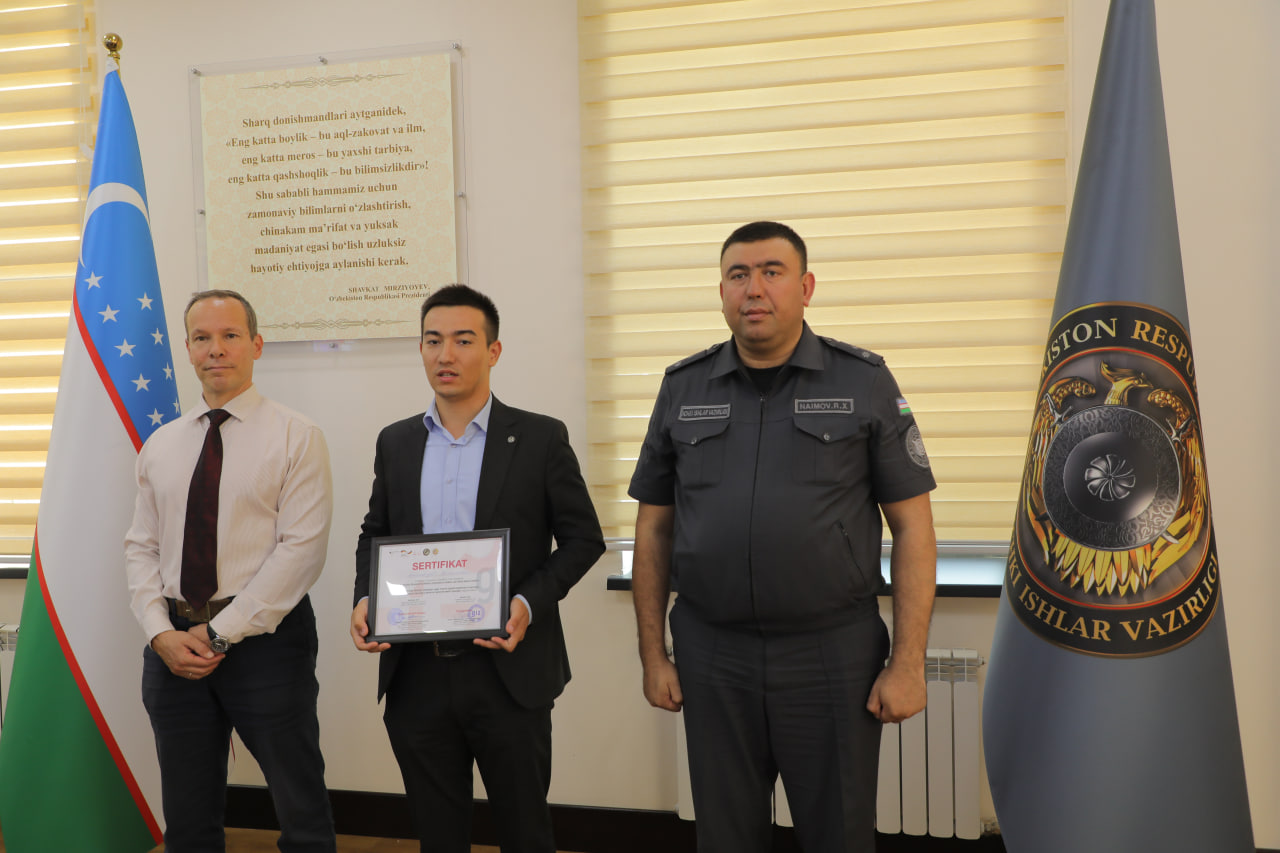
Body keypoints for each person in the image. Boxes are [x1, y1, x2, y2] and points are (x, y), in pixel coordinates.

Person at [629, 222, 938, 852]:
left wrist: (907, 664)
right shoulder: (683, 387)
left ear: (806, 287)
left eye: (772, 272)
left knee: (838, 834)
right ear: (721, 291)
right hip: (713, 653)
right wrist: (653, 656)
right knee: (725, 836)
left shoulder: (863, 381)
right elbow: (654, 528)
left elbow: (913, 527)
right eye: (738, 275)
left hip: (831, 653)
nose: (754, 289)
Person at [350, 284, 605, 853]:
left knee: (524, 830)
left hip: (507, 670)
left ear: (493, 351)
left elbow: (583, 540)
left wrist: (527, 603)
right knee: (437, 833)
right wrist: (366, 599)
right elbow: (374, 533)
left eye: (463, 341)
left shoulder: (539, 437)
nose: (446, 355)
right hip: (416, 672)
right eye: (433, 340)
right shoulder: (396, 442)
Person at [125, 289, 336, 851]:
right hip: (173, 647)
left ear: (256, 345)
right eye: (202, 338)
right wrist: (160, 632)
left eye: (230, 335)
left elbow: (301, 553)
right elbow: (142, 548)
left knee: (300, 806)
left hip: (267, 645)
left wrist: (219, 633)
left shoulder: (297, 436)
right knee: (188, 817)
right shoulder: (161, 445)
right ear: (188, 349)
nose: (215, 349)